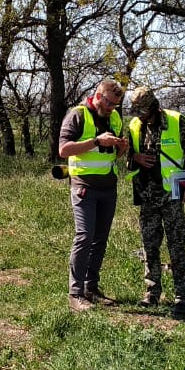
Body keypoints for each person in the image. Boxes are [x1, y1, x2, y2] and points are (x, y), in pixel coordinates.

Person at [125, 86, 185, 320]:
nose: (138, 114)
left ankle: (182, 297)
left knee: (176, 246)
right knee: (149, 246)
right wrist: (135, 158)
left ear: (153, 106)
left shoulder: (175, 121)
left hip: (173, 192)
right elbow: (127, 159)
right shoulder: (134, 126)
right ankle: (152, 292)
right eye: (136, 110)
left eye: (142, 110)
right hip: (147, 196)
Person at [58, 78, 128, 311]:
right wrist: (96, 140)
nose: (110, 108)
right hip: (83, 186)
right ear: (98, 95)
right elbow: (63, 150)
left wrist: (120, 149)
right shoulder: (77, 115)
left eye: (114, 105)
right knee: (84, 236)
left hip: (108, 186)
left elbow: (111, 156)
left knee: (100, 239)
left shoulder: (115, 118)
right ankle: (75, 294)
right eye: (108, 103)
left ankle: (91, 288)